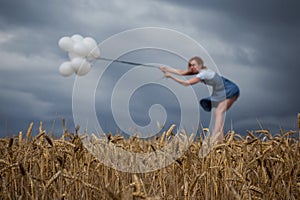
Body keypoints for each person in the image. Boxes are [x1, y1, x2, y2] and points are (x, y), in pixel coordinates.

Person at [160, 56, 239, 142]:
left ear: (200, 65)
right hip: (223, 90)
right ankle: (220, 138)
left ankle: (216, 138)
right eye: (190, 65)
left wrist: (170, 76)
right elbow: (181, 72)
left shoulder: (203, 74)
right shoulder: (200, 72)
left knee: (218, 112)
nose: (191, 67)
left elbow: (186, 83)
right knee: (218, 113)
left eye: (193, 65)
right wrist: (167, 69)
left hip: (229, 88)